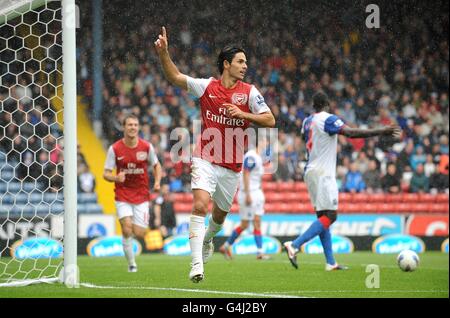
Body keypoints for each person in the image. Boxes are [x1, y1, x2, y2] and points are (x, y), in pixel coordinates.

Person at [154, 27, 275, 283]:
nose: (245, 66)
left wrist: (244, 115)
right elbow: (175, 77)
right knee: (199, 205)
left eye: (246, 62)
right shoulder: (207, 87)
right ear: (226, 64)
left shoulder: (250, 92)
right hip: (205, 157)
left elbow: (270, 119)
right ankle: (196, 264)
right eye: (240, 62)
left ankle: (209, 238)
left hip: (232, 166)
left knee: (219, 217)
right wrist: (164, 53)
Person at [284, 92, 401, 271]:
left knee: (323, 217)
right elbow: (351, 133)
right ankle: (295, 244)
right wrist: (381, 131)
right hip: (323, 172)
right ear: (327, 105)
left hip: (310, 170)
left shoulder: (307, 121)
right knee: (331, 216)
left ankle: (331, 263)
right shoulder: (328, 119)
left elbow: (305, 139)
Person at [103, 114, 162, 272]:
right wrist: (116, 177)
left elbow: (157, 165)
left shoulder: (146, 147)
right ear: (124, 127)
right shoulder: (114, 149)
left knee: (139, 232)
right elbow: (105, 173)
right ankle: (132, 264)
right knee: (127, 228)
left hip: (142, 196)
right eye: (130, 125)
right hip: (122, 195)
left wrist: (157, 182)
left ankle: (129, 245)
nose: (133, 127)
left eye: (135, 125)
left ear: (138, 128)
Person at [219, 139, 270, 260]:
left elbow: (255, 177)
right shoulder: (251, 156)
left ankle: (226, 246)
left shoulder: (257, 157)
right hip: (249, 193)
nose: (266, 144)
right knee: (253, 222)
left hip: (255, 192)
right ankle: (260, 252)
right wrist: (247, 194)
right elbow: (246, 174)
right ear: (260, 142)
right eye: (265, 142)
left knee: (246, 224)